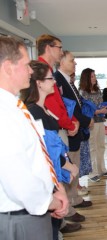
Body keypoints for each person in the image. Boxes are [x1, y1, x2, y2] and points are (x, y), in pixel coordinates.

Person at [0, 36, 68, 240]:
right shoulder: (4, 113)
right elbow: (16, 176)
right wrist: (49, 202)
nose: (31, 70)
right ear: (7, 67)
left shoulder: (15, 107)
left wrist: (55, 189)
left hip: (32, 210)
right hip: (21, 218)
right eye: (26, 64)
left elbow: (35, 159)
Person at [20, 60, 79, 240]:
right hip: (46, 177)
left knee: (54, 228)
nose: (54, 81)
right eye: (50, 78)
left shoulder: (42, 108)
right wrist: (67, 165)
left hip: (52, 178)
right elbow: (44, 149)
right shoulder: (34, 112)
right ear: (38, 83)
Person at [36, 34, 83, 233]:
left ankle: (61, 217)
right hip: (53, 128)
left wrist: (70, 121)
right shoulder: (42, 70)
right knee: (58, 173)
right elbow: (52, 106)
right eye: (59, 48)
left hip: (59, 126)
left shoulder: (48, 70)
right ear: (48, 48)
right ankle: (59, 219)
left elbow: (59, 104)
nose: (61, 52)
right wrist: (68, 122)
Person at [55, 50, 94, 222]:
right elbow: (67, 109)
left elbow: (76, 105)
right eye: (72, 60)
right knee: (69, 171)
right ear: (62, 62)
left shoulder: (67, 80)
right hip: (69, 131)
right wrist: (86, 121)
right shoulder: (57, 79)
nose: (75, 63)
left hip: (75, 131)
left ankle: (75, 199)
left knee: (75, 167)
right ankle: (68, 208)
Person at [79, 68, 107, 178]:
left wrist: (105, 109)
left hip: (100, 121)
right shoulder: (83, 92)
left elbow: (100, 104)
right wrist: (99, 111)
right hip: (90, 122)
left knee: (101, 145)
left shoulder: (98, 90)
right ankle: (92, 173)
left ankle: (102, 169)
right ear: (86, 78)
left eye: (95, 76)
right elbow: (86, 109)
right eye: (92, 76)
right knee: (92, 147)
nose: (95, 78)